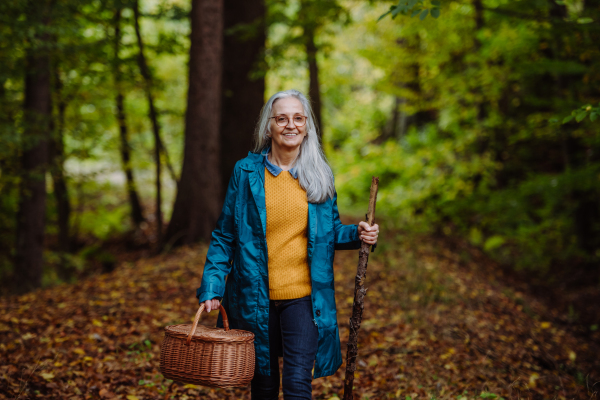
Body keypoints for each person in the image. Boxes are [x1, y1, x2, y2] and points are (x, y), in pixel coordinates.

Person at [196, 89, 379, 399]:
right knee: (264, 388)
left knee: (297, 385)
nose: (290, 125)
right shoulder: (246, 172)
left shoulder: (319, 174)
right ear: (269, 126)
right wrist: (212, 287)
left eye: (298, 118)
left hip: (304, 298)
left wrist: (358, 234)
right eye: (282, 118)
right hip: (253, 299)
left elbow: (329, 231)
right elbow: (225, 235)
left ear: (307, 125)